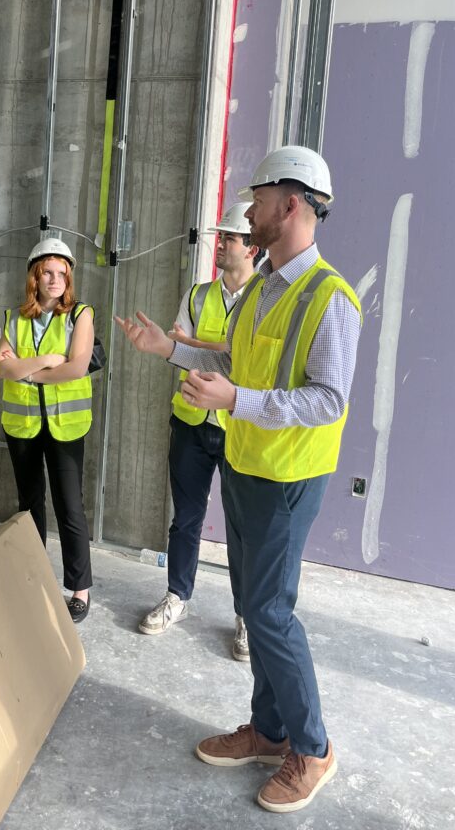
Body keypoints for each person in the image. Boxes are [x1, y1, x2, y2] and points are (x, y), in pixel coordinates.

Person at [116, 146, 362, 813]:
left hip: (289, 478)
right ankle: (269, 731)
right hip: (249, 467)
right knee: (254, 605)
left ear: (291, 204)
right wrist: (169, 349)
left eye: (256, 200)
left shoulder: (330, 299)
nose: (246, 213)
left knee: (270, 613)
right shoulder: (262, 287)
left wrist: (235, 402)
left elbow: (329, 400)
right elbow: (230, 355)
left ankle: (312, 748)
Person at [139, 203, 260, 664]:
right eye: (222, 236)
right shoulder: (197, 293)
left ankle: (245, 616)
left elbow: (235, 358)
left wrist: (189, 347)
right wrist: (201, 348)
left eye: (228, 238)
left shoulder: (263, 299)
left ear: (249, 246)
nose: (221, 244)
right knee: (185, 519)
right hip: (191, 425)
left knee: (242, 530)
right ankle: (177, 597)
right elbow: (179, 343)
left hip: (238, 429)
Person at [0, 237, 95, 623]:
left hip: (66, 426)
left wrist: (27, 371)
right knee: (29, 505)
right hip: (22, 425)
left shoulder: (80, 314)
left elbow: (77, 366)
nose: (55, 280)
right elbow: (1, 368)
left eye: (62, 273)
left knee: (70, 506)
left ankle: (79, 589)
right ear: (34, 277)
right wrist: (47, 360)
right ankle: (33, 579)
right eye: (47, 273)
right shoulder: (14, 318)